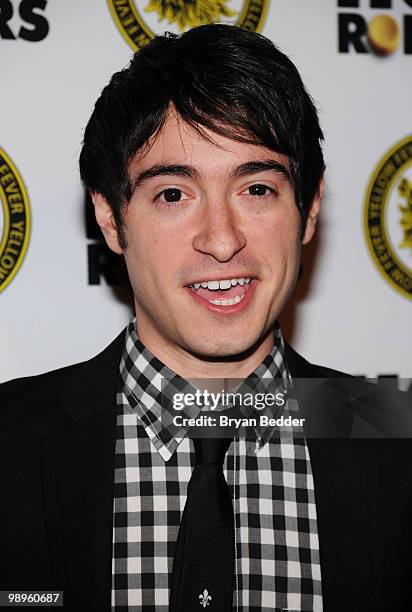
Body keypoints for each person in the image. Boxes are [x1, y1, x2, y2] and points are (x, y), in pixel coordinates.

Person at [0, 23, 411, 612]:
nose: (221, 241)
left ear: (309, 211)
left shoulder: (397, 438)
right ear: (111, 220)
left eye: (258, 189)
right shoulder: (8, 444)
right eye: (173, 194)